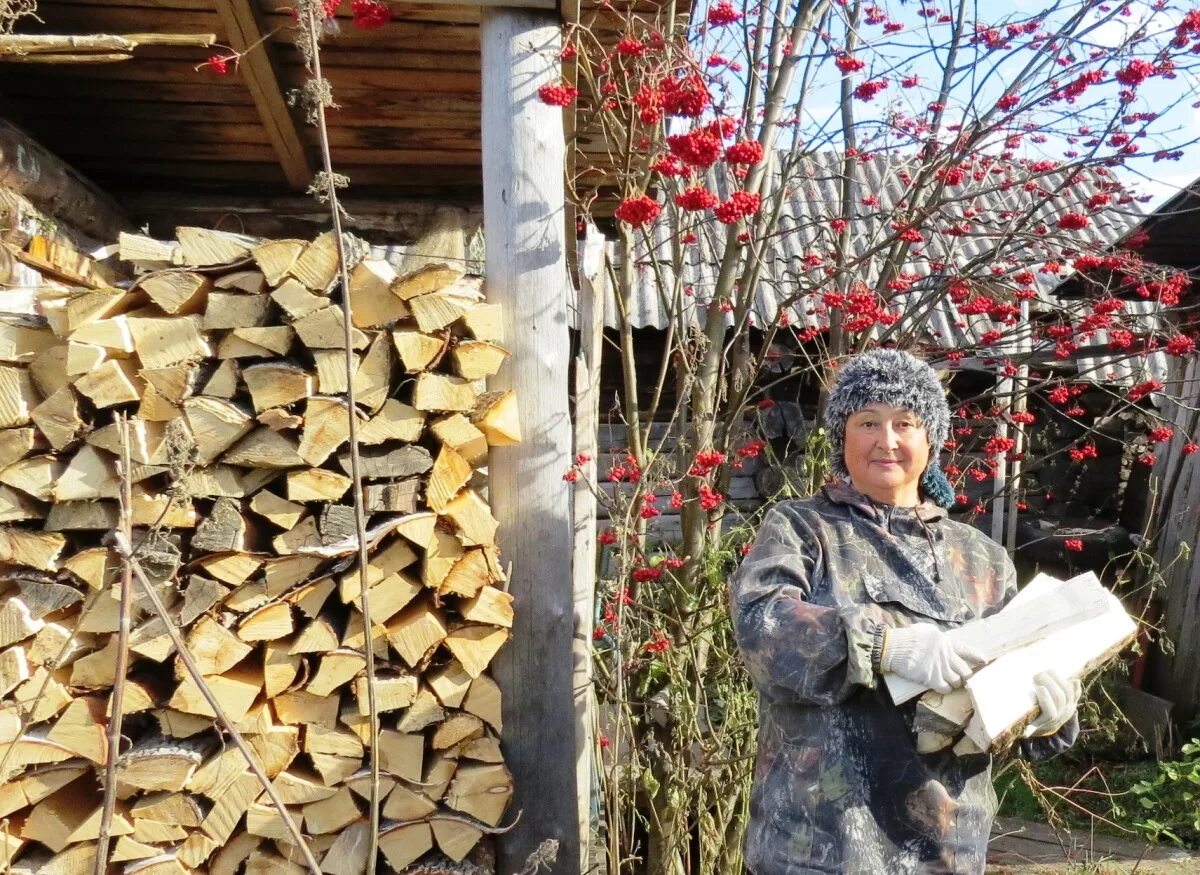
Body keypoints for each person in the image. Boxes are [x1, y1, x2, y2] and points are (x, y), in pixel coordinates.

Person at [730, 348, 1081, 875]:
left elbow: (1002, 692)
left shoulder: (981, 560)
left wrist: (1044, 713)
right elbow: (761, 626)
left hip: (945, 850)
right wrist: (884, 647)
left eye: (905, 423)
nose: (886, 441)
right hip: (816, 847)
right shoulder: (801, 529)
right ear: (842, 436)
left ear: (930, 440)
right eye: (867, 422)